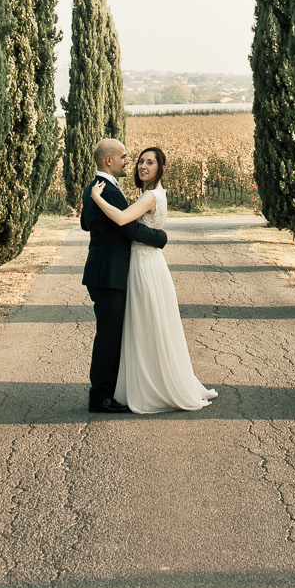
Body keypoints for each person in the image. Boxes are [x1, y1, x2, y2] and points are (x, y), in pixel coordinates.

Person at [92, 144, 217, 413]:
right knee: (148, 326)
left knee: (147, 326)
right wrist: (160, 238)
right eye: (140, 161)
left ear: (160, 168)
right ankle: (146, 383)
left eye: (150, 162)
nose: (142, 166)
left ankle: (151, 387)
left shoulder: (150, 197)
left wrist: (97, 198)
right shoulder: (152, 194)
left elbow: (122, 220)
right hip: (147, 263)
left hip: (144, 266)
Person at [80, 137, 168, 413]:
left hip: (105, 271)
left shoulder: (95, 187)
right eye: (125, 157)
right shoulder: (105, 190)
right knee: (109, 337)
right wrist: (161, 237)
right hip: (109, 274)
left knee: (111, 334)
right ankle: (100, 398)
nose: (129, 162)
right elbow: (128, 228)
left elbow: (85, 223)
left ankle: (109, 391)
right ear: (109, 160)